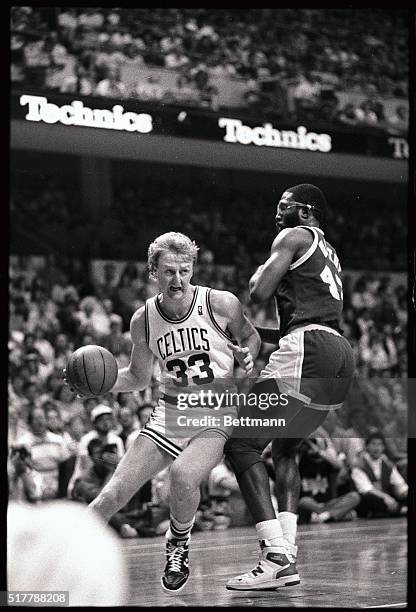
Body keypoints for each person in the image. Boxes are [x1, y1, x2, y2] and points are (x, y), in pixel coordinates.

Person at [74, 232, 260, 593]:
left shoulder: (220, 303)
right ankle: (62, 559)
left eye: (184, 271)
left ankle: (178, 543)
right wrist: (99, 385)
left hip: (216, 409)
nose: (178, 280)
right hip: (171, 412)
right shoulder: (143, 319)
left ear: (193, 270)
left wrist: (247, 357)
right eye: (169, 272)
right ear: (153, 272)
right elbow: (138, 376)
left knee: (183, 474)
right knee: (111, 496)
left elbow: (250, 337)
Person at [224, 184, 355, 590]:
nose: (277, 214)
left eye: (284, 207)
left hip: (309, 348)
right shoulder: (326, 253)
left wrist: (255, 277)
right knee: (285, 448)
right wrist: (241, 331)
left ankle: (274, 555)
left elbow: (258, 290)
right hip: (337, 353)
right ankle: (288, 553)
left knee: (241, 444)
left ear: (306, 212)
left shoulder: (294, 236)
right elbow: (284, 332)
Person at [351, 432, 408, 517]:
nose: (376, 448)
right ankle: (400, 510)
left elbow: (400, 485)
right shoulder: (358, 465)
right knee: (371, 498)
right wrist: (385, 497)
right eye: (373, 444)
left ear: (383, 448)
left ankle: (398, 510)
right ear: (367, 446)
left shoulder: (388, 465)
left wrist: (404, 492)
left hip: (388, 501)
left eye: (379, 444)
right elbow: (366, 489)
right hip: (367, 501)